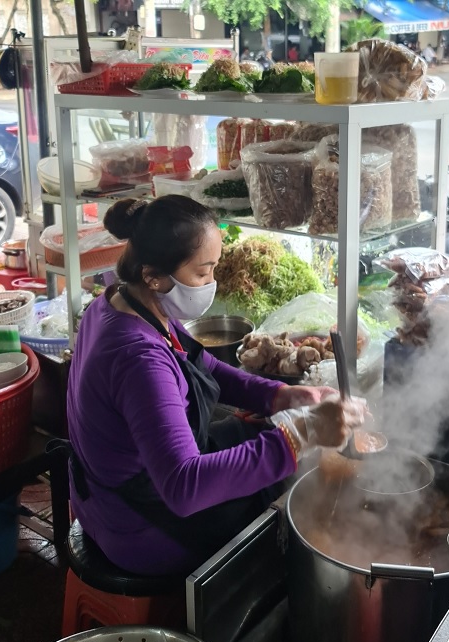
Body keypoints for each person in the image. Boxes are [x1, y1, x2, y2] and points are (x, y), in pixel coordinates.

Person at [65, 195, 365, 580]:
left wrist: (280, 396)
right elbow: (185, 486)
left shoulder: (122, 302)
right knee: (287, 497)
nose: (212, 284)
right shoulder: (138, 359)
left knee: (258, 435)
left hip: (110, 496)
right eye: (202, 273)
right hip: (139, 527)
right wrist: (303, 432)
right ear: (154, 275)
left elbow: (200, 361)